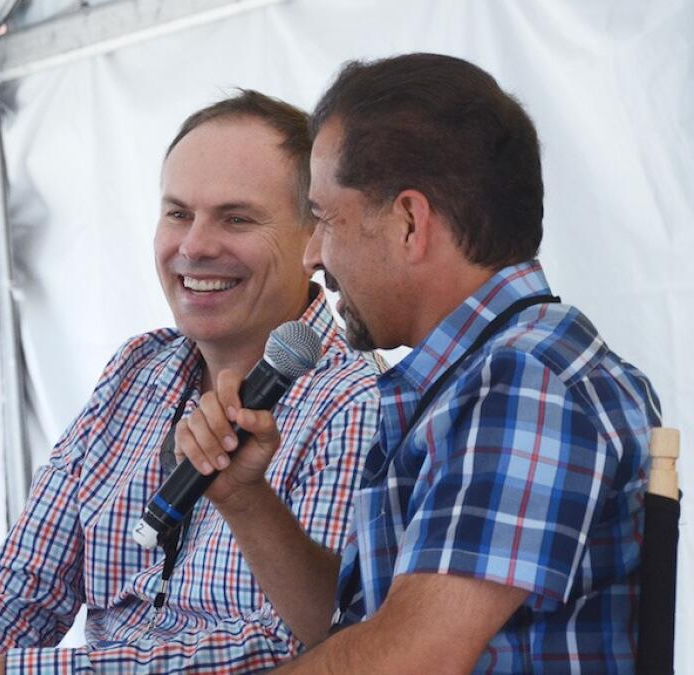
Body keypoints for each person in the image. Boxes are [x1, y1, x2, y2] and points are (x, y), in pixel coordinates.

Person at [178, 53, 662, 673]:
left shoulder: (527, 378)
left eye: (324, 220)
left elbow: (411, 657)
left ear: (410, 222)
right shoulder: (475, 376)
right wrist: (247, 501)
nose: (312, 257)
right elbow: (367, 628)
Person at [0, 91, 382, 674]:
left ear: (314, 240)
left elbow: (295, 647)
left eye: (236, 218)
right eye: (178, 213)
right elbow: (21, 585)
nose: (195, 245)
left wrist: (24, 672)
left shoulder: (356, 402)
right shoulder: (137, 369)